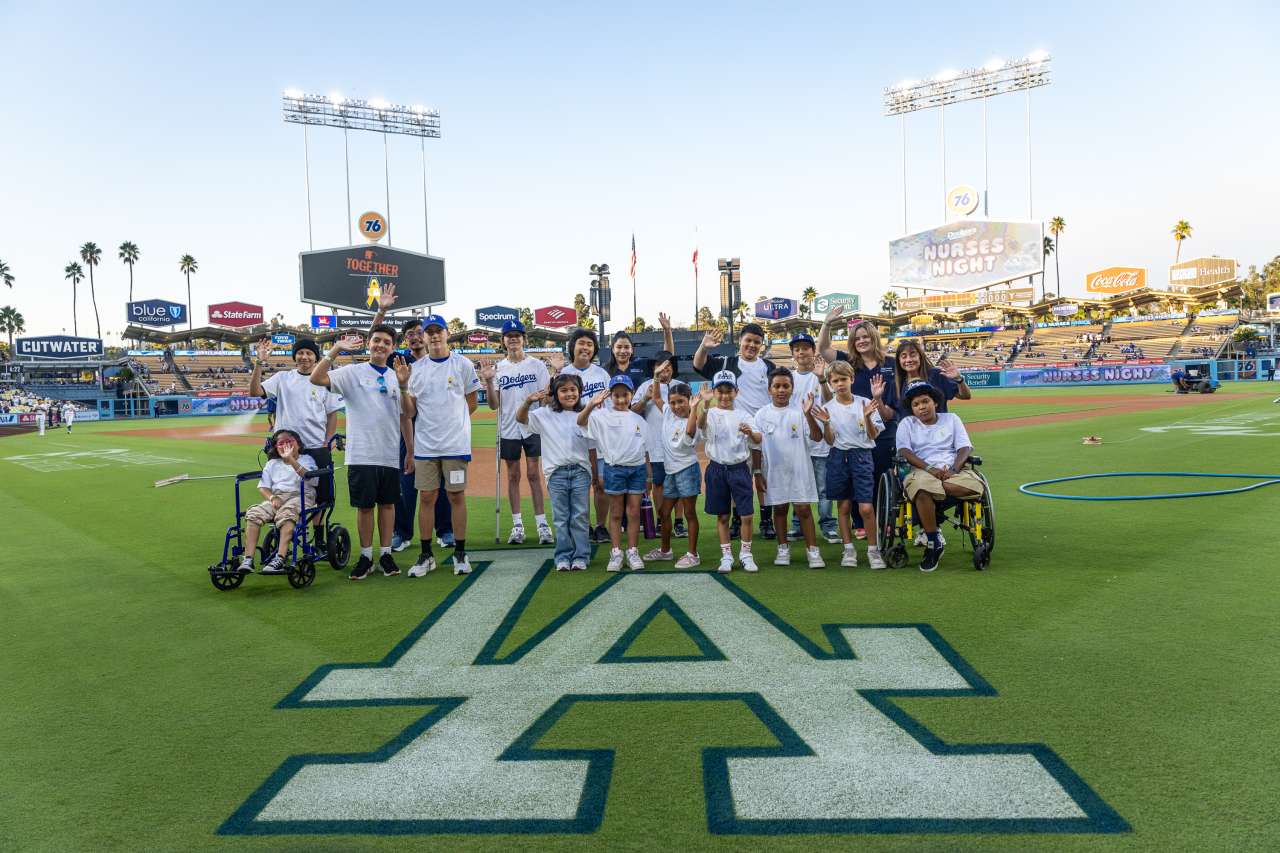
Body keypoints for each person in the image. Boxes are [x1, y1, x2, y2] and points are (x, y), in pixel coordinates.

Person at [310, 327, 407, 581]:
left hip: (388, 452)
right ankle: (366, 556)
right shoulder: (353, 373)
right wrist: (336, 349)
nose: (381, 345)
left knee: (388, 505)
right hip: (361, 453)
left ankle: (385, 553)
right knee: (364, 507)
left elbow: (406, 415)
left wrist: (411, 449)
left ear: (392, 347)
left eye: (387, 342)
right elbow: (316, 378)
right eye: (377, 340)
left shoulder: (400, 375)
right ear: (369, 343)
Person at [400, 315, 481, 578]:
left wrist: (453, 424)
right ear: (423, 336)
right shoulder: (417, 369)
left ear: (447, 333)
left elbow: (472, 403)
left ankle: (460, 552)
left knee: (456, 496)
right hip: (426, 446)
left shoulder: (463, 364)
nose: (434, 336)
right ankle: (426, 555)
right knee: (427, 498)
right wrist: (402, 387)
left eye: (438, 331)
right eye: (429, 332)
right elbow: (410, 410)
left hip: (455, 445)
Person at [251, 337, 342, 555]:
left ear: (316, 357)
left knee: (320, 498)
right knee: (282, 488)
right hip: (283, 448)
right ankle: (285, 529)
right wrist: (259, 362)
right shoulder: (283, 378)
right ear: (295, 357)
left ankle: (318, 540)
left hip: (315, 446)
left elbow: (331, 414)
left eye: (309, 353)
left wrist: (327, 441)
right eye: (300, 353)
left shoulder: (323, 381)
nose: (304, 357)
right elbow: (254, 392)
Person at [692, 323, 778, 540]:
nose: (752, 345)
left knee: (763, 476)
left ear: (761, 345)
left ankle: (766, 519)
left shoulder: (768, 366)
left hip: (760, 430)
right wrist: (705, 345)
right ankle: (738, 520)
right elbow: (699, 364)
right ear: (740, 341)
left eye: (757, 342)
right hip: (735, 431)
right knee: (738, 476)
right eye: (748, 340)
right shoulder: (727, 363)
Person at [818, 310, 899, 537]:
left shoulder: (890, 364)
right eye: (857, 338)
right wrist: (827, 323)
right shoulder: (848, 362)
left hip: (882, 431)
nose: (862, 341)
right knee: (854, 477)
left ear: (874, 338)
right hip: (851, 435)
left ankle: (884, 520)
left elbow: (892, 411)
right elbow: (823, 350)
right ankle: (859, 523)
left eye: (866, 336)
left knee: (879, 478)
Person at [895, 381, 984, 573]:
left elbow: (964, 447)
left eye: (925, 401)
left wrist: (953, 469)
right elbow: (904, 451)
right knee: (921, 487)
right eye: (916, 404)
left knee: (977, 487)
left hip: (952, 471)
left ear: (935, 402)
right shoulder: (907, 424)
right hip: (922, 471)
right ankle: (934, 543)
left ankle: (935, 494)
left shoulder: (951, 419)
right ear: (911, 409)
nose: (921, 407)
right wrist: (930, 469)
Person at [745, 367, 828, 569]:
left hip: (799, 469)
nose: (781, 390)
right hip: (774, 471)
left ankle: (813, 550)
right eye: (777, 386)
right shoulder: (761, 415)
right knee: (780, 509)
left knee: (804, 509)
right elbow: (756, 446)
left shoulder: (800, 412)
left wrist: (809, 415)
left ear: (792, 389)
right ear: (769, 389)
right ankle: (783, 548)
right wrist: (757, 473)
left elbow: (817, 437)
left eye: (786, 386)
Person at [480, 318, 552, 545]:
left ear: (524, 339)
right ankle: (517, 525)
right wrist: (490, 382)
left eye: (517, 335)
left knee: (533, 474)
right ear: (503, 341)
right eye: (509, 336)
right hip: (509, 428)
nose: (513, 339)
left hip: (532, 426)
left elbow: (546, 398)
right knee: (513, 475)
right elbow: (493, 405)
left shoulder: (537, 366)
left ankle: (542, 525)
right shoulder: (498, 368)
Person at [388, 318, 455, 552]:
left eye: (419, 332)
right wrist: (410, 448)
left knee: (442, 485)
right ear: (405, 339)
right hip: (409, 432)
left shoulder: (440, 361)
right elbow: (405, 414)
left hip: (439, 432)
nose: (415, 337)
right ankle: (402, 533)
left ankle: (445, 530)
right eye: (410, 334)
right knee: (406, 485)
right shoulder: (399, 362)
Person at [518, 374, 591, 572]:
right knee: (561, 517)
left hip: (581, 471)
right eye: (564, 390)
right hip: (556, 473)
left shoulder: (585, 413)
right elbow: (521, 419)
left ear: (580, 391)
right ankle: (563, 556)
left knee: (580, 516)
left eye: (573, 389)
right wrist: (527, 402)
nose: (569, 394)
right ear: (556, 394)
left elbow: (593, 445)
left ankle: (581, 556)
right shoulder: (544, 413)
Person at [578, 375, 648, 572]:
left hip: (637, 469)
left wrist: (648, 474)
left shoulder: (638, 419)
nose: (620, 399)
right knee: (616, 512)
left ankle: (633, 551)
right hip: (614, 468)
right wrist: (591, 404)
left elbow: (645, 448)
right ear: (610, 396)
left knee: (634, 513)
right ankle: (616, 552)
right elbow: (580, 421)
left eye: (625, 394)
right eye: (616, 395)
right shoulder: (601, 416)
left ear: (632, 394)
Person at [821, 360, 886, 569]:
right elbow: (830, 441)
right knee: (844, 506)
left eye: (843, 379)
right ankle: (848, 549)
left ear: (852, 379)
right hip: (838, 457)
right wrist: (825, 423)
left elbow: (873, 435)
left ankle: (873, 550)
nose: (840, 384)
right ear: (830, 384)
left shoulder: (865, 403)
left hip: (862, 456)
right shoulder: (828, 408)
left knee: (866, 507)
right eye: (835, 381)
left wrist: (867, 417)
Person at [695, 370, 759, 573]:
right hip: (717, 469)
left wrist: (750, 432)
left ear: (736, 392)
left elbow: (758, 439)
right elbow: (701, 426)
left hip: (739, 469)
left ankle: (746, 554)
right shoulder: (710, 412)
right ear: (714, 392)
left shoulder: (744, 415)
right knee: (722, 515)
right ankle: (727, 556)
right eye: (720, 391)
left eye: (728, 391)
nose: (724, 395)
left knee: (746, 515)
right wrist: (704, 405)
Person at [553, 328, 612, 543]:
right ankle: (583, 525)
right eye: (581, 343)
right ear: (573, 347)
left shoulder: (601, 374)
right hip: (573, 437)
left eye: (589, 344)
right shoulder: (564, 372)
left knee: (601, 483)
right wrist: (555, 373)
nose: (585, 347)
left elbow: (610, 406)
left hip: (598, 436)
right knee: (580, 484)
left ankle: (601, 525)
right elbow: (552, 405)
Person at [237, 429, 317, 575]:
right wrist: (272, 498)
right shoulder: (272, 463)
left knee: (287, 514)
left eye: (290, 441)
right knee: (254, 513)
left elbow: (311, 478)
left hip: (302, 495)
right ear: (276, 447)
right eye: (281, 443)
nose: (286, 445)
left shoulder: (307, 460)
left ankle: (280, 558)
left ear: (298, 445)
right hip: (278, 497)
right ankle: (248, 559)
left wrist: (291, 460)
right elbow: (263, 487)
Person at [784, 332, 838, 543]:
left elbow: (829, 401)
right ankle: (797, 526)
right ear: (793, 354)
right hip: (797, 441)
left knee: (824, 487)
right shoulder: (788, 378)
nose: (801, 352)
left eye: (805, 348)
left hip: (821, 442)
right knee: (798, 486)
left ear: (813, 351)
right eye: (797, 349)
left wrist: (822, 378)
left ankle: (828, 526)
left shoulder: (822, 375)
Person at [641, 379, 702, 567]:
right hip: (671, 473)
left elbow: (690, 432)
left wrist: (694, 408)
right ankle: (665, 551)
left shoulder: (694, 421)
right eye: (673, 402)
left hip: (687, 471)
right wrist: (657, 376)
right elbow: (657, 397)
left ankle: (693, 554)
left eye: (681, 401)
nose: (676, 406)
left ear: (689, 400)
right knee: (664, 512)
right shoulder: (668, 412)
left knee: (689, 513)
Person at [632, 350, 682, 541]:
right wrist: (645, 398)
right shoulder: (645, 386)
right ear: (654, 369)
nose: (664, 371)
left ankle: (678, 522)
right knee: (659, 484)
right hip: (655, 445)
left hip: (678, 445)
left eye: (668, 367)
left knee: (679, 484)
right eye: (660, 367)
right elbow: (633, 412)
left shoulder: (680, 386)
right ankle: (662, 520)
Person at [892, 338, 971, 415]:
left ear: (920, 357)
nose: (908, 360)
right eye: (904, 356)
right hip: (909, 428)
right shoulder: (896, 383)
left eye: (913, 355)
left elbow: (965, 396)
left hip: (938, 427)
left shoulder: (936, 374)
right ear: (899, 361)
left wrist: (959, 379)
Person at [603, 313, 676, 385]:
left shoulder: (641, 364)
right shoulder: (604, 371)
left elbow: (666, 359)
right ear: (613, 349)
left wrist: (667, 331)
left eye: (626, 347)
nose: (623, 351)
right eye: (619, 347)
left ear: (632, 350)